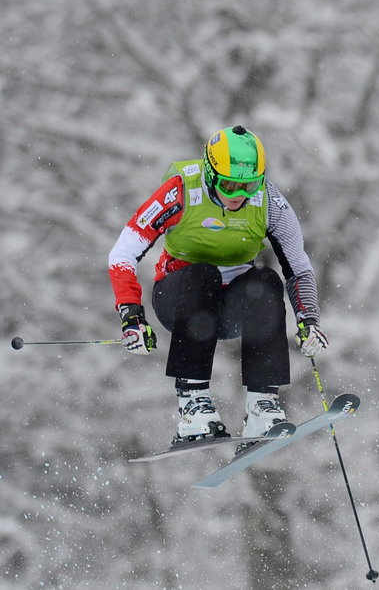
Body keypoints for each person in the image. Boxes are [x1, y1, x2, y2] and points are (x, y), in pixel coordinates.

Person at [107, 125, 329, 445]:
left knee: (267, 280)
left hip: (231, 308)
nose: (239, 196)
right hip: (180, 299)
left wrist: (309, 320)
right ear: (211, 175)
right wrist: (131, 316)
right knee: (204, 274)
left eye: (249, 185)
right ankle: (193, 405)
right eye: (229, 185)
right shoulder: (180, 191)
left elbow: (298, 267)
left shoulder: (269, 202)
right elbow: (122, 254)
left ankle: (261, 407)